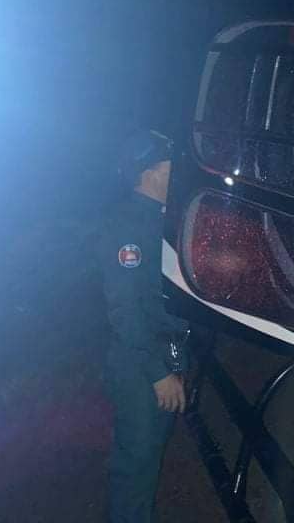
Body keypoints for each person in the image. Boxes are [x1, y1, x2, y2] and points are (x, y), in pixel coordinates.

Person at [99, 129, 189, 523]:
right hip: (138, 364)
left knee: (148, 456)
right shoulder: (127, 226)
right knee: (136, 464)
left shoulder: (160, 217)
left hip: (162, 353)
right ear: (150, 172)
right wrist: (158, 374)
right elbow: (125, 311)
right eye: (172, 167)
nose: (178, 174)